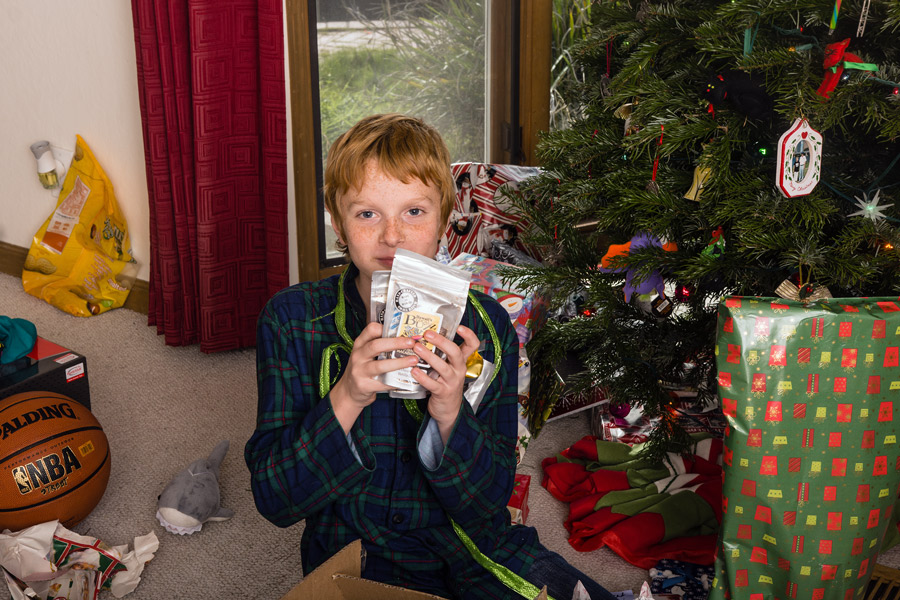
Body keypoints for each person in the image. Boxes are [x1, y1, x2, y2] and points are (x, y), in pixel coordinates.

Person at [245, 114, 616, 600]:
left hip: (477, 549)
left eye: (414, 212)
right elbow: (276, 500)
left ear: (444, 220)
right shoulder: (291, 321)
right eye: (367, 214)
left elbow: (488, 501)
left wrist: (448, 414)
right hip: (359, 555)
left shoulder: (487, 327)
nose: (393, 236)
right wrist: (348, 395)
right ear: (337, 222)